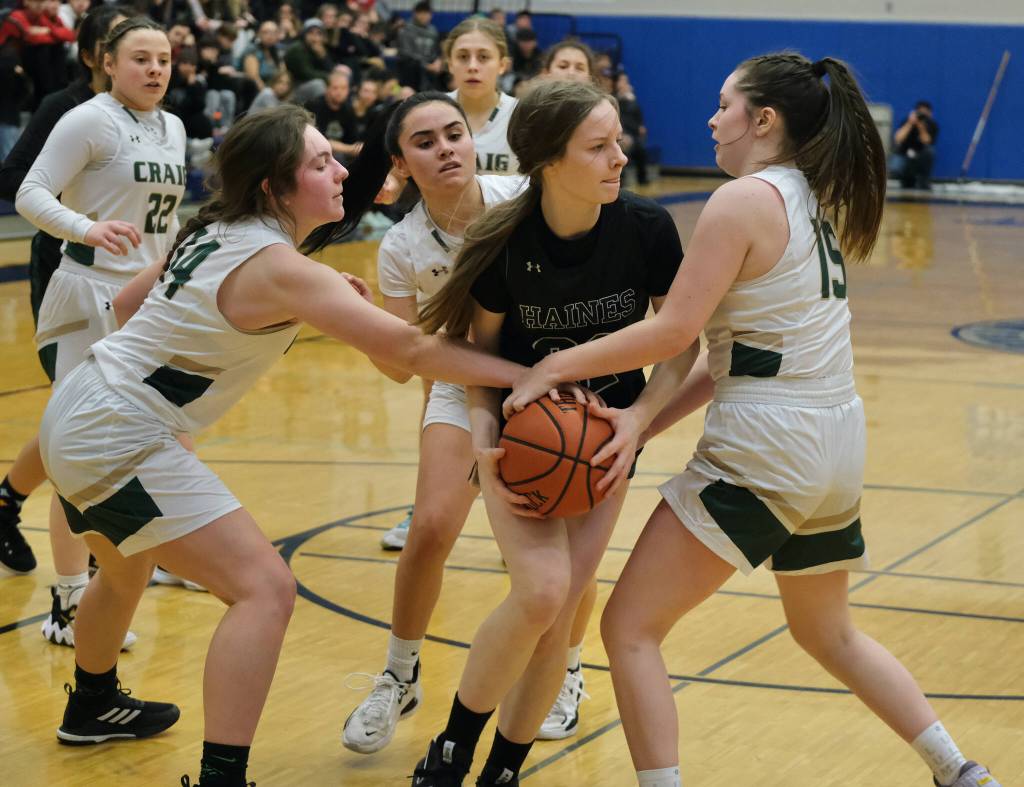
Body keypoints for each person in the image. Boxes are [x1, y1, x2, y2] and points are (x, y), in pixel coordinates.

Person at [505, 53, 1002, 787]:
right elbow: (725, 357)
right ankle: (959, 770)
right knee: (826, 630)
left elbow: (673, 332)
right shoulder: (807, 200)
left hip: (769, 444)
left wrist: (552, 365)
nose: (711, 118)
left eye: (724, 104)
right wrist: (641, 418)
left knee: (629, 628)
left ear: (762, 121)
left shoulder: (738, 201)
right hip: (834, 442)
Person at [39, 101, 526, 787]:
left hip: (81, 408)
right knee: (264, 589)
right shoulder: (280, 264)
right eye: (321, 161)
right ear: (276, 185)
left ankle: (92, 703)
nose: (338, 170)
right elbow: (411, 348)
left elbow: (126, 311)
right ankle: (221, 777)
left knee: (124, 569)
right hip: (117, 433)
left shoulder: (215, 228)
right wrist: (527, 373)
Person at [408, 79, 695, 786]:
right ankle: (450, 747)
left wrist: (638, 419)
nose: (618, 158)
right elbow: (478, 354)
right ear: (547, 160)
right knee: (539, 591)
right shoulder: (504, 240)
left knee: (563, 606)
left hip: (604, 444)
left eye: (617, 141)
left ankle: (504, 767)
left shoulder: (648, 229)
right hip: (523, 442)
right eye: (598, 147)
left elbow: (685, 345)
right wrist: (482, 434)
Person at [341, 92, 532, 755]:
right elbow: (401, 364)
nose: (446, 147)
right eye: (426, 141)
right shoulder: (401, 244)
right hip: (461, 384)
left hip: (545, 383)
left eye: (455, 133)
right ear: (400, 163)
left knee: (543, 554)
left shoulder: (525, 198)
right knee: (428, 528)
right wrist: (361, 323)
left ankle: (562, 674)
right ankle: (400, 672)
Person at [5, 15, 183, 655]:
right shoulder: (87, 119)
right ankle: (68, 598)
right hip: (84, 297)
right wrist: (84, 228)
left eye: (163, 57)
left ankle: (143, 557)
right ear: (109, 62)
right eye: (141, 58)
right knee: (80, 454)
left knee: (152, 437)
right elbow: (27, 191)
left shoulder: (176, 127)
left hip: (147, 304)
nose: (155, 69)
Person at [376, 15, 520, 549]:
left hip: (519, 300)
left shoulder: (520, 127)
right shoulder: (429, 113)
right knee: (435, 382)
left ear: (503, 63)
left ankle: (519, 507)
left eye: (484, 56)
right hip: (451, 307)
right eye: (463, 56)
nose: (474, 65)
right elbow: (400, 358)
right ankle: (433, 494)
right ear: (449, 63)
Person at [306, 67, 362, 161]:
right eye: (335, 88)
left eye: (344, 88)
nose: (340, 92)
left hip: (342, 153)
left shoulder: (348, 109)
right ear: (327, 89)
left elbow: (352, 140)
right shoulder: (314, 106)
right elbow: (318, 140)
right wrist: (350, 149)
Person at [891, 100, 938, 190]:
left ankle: (923, 181)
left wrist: (920, 126)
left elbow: (927, 141)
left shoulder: (932, 125)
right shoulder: (907, 122)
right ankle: (906, 180)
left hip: (921, 156)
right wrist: (910, 123)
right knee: (896, 167)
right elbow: (898, 138)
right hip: (905, 154)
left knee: (930, 151)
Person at [396, 0, 441, 91]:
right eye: (421, 13)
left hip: (429, 67)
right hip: (411, 70)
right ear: (415, 14)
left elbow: (436, 51)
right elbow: (406, 54)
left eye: (427, 13)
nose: (424, 16)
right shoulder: (406, 30)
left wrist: (438, 61)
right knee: (410, 66)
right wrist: (426, 65)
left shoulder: (433, 31)